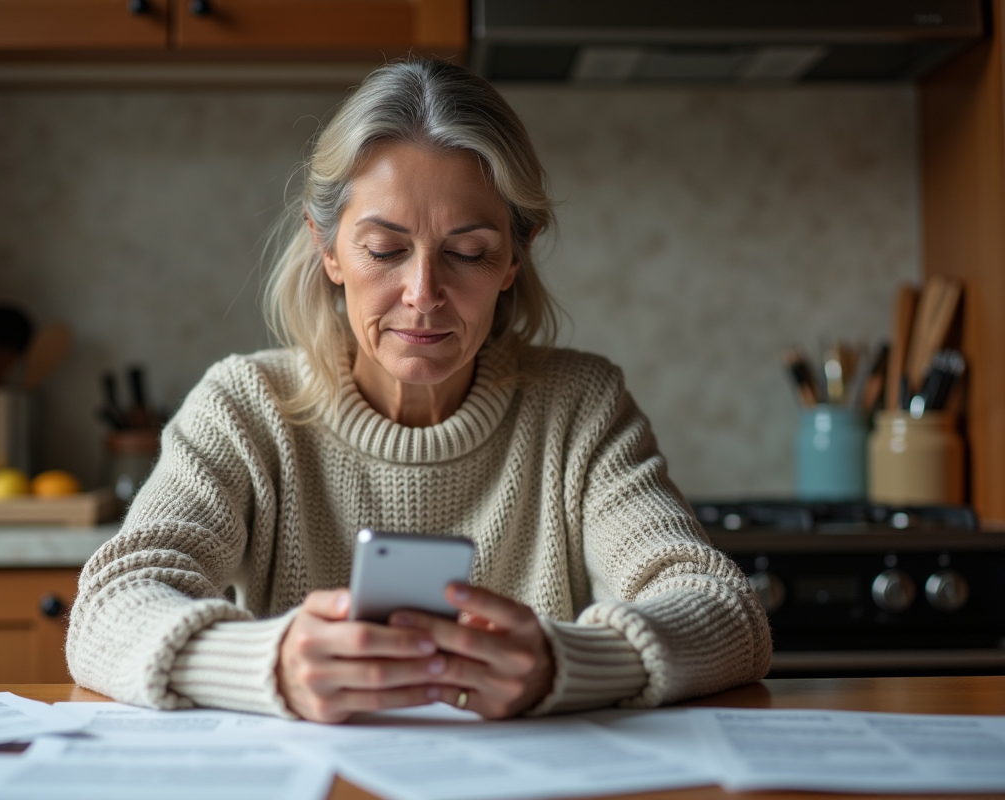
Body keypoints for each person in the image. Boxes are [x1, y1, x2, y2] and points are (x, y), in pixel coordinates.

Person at [66, 59, 771, 723]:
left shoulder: (579, 408)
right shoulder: (244, 407)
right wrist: (269, 663)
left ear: (513, 260)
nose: (424, 294)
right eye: (384, 250)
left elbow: (726, 614)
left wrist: (565, 663)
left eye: (468, 253)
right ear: (327, 248)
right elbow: (107, 610)